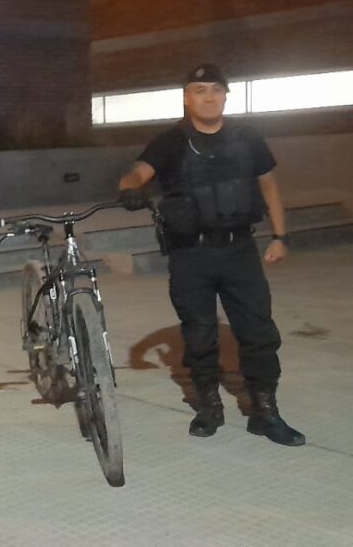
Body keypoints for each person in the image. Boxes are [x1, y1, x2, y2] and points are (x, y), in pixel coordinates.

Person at [118, 63, 304, 446]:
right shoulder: (170, 141)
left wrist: (280, 236)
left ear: (225, 96)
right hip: (191, 255)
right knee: (199, 334)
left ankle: (266, 413)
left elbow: (269, 186)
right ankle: (208, 408)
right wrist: (130, 189)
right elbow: (135, 172)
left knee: (258, 333)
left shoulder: (247, 137)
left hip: (240, 251)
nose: (209, 97)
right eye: (200, 90)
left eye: (216, 90)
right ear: (187, 97)